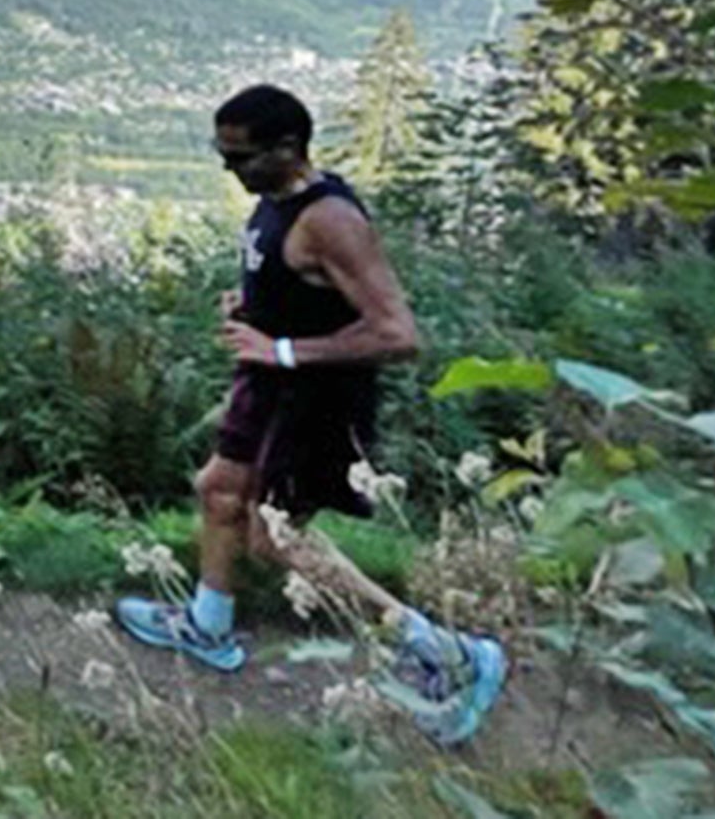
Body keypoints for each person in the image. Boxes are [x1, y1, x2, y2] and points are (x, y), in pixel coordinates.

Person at [113, 84, 508, 745]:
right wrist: (253, 304)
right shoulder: (276, 198)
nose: (228, 170)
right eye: (222, 154)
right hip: (267, 381)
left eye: (239, 158)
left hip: (314, 396)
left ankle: (450, 653)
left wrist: (286, 349)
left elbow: (398, 335)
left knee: (275, 536)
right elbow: (300, 284)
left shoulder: (332, 220)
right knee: (218, 490)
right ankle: (208, 626)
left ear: (288, 148)